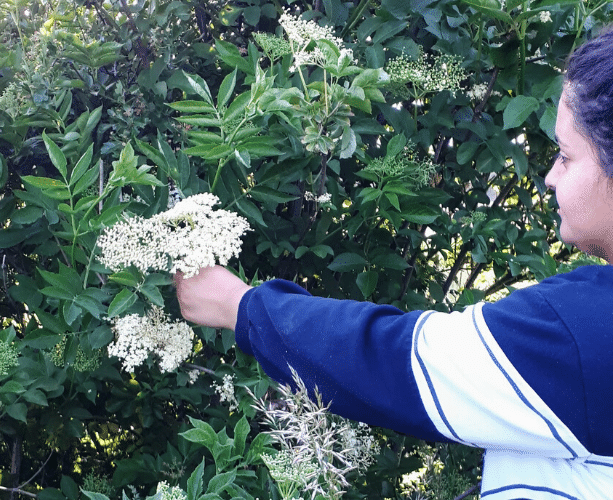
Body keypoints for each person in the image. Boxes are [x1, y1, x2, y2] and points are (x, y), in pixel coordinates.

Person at [175, 30, 613, 500]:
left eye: (566, 157)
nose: (549, 177)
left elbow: (398, 361)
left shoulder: (586, 336)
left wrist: (242, 307)